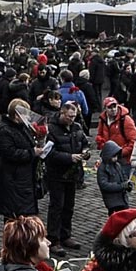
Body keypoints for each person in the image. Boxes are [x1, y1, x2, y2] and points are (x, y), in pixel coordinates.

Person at [43, 100, 88, 251]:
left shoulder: (77, 127)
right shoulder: (51, 129)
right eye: (69, 116)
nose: (72, 119)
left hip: (73, 173)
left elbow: (84, 142)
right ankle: (53, 238)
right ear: (62, 113)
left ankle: (66, 235)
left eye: (74, 116)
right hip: (56, 173)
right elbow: (49, 153)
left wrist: (85, 152)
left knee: (69, 206)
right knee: (57, 206)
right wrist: (69, 157)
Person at [0, 98, 45, 223]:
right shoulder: (5, 131)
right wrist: (32, 152)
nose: (28, 116)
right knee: (15, 217)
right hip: (13, 179)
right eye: (25, 113)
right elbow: (10, 153)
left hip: (24, 178)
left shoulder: (22, 128)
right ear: (17, 115)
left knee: (26, 215)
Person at [96, 138, 133, 226]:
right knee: (115, 220)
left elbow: (123, 177)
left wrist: (128, 184)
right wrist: (121, 186)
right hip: (112, 201)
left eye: (116, 156)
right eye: (113, 156)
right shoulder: (102, 168)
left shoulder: (118, 165)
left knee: (124, 218)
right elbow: (104, 185)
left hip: (122, 198)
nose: (115, 158)